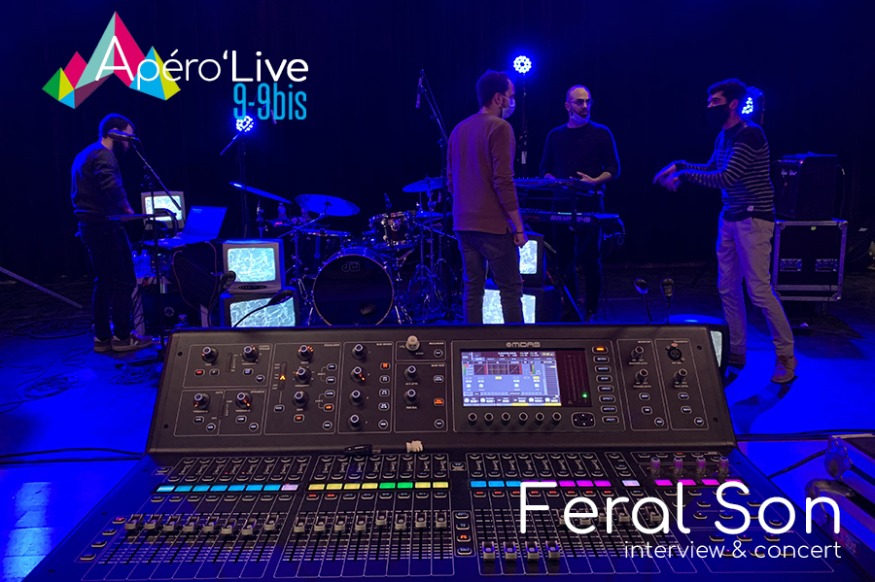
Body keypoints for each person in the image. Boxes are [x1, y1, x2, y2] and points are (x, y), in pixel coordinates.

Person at [653, 78, 796, 383]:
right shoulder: (724, 134)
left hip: (753, 218)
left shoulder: (750, 134)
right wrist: (679, 165)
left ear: (732, 104)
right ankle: (737, 351)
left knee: (758, 290)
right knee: (727, 287)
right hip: (730, 217)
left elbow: (726, 177)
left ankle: (786, 355)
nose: (709, 106)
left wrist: (683, 175)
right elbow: (711, 168)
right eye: (709, 101)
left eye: (715, 101)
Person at [447, 70, 527, 324]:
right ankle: (516, 345)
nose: (512, 101)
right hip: (493, 225)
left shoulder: (458, 129)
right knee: (510, 291)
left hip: (463, 223)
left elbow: (450, 182)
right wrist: (519, 226)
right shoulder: (500, 127)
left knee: (472, 290)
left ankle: (471, 344)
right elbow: (503, 181)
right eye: (510, 96)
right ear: (498, 98)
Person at [72, 113, 154, 353]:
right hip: (105, 226)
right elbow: (111, 184)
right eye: (127, 137)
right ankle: (122, 337)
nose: (128, 143)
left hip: (90, 225)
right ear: (114, 133)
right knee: (124, 280)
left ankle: (102, 337)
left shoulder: (85, 153)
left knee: (104, 281)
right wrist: (126, 209)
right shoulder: (103, 155)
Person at [538, 85, 620, 321]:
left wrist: (594, 181)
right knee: (564, 259)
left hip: (590, 203)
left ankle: (591, 309)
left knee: (590, 259)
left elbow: (614, 168)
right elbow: (544, 169)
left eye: (587, 101)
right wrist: (557, 182)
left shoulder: (601, 133)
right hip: (562, 203)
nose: (585, 106)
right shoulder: (555, 135)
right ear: (567, 106)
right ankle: (570, 309)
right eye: (579, 102)